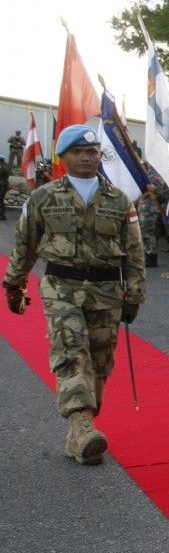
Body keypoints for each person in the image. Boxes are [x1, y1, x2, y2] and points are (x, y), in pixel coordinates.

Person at [2, 124, 146, 465]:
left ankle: (79, 433)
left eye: (92, 152)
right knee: (71, 352)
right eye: (78, 152)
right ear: (63, 157)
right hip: (61, 288)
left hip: (107, 290)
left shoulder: (120, 200)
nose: (86, 157)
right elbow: (25, 248)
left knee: (99, 362)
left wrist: (135, 294)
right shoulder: (43, 198)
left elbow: (135, 250)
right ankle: (82, 427)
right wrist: (14, 283)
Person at [138, 167, 169, 268]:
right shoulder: (145, 172)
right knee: (144, 233)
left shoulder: (157, 174)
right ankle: (147, 255)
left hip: (151, 210)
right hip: (143, 209)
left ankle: (151, 257)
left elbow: (163, 193)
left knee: (149, 233)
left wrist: (154, 191)